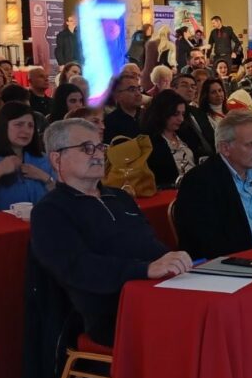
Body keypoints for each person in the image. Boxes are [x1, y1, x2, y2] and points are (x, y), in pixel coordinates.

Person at [32, 119, 191, 347]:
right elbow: (78, 268)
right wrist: (145, 269)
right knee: (198, 326)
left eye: (100, 147)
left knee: (220, 308)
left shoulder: (120, 197)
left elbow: (148, 244)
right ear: (57, 159)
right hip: (113, 312)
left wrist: (174, 262)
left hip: (158, 293)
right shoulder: (50, 211)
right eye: (87, 148)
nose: (98, 155)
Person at [174, 110, 252, 259]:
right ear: (225, 148)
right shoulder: (199, 183)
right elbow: (205, 244)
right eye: (251, 144)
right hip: (238, 265)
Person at [141, 90, 196, 188]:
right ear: (162, 113)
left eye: (183, 114)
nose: (181, 119)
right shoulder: (150, 141)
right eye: (176, 114)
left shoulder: (186, 134)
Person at [103, 73, 143, 143]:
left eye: (139, 89)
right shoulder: (110, 123)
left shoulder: (148, 116)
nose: (138, 93)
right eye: (132, 89)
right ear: (117, 95)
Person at [198, 78, 227, 147]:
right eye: (213, 92)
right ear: (206, 95)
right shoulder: (204, 117)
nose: (218, 94)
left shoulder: (231, 110)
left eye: (220, 90)